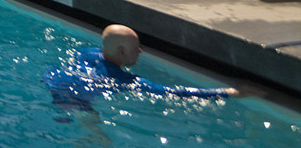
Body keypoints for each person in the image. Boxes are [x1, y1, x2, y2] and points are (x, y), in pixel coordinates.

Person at [44, 24, 240, 108]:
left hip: (52, 80)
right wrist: (229, 92)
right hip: (75, 101)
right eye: (136, 48)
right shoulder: (122, 80)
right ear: (121, 52)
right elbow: (174, 92)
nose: (140, 52)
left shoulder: (85, 53)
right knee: (100, 137)